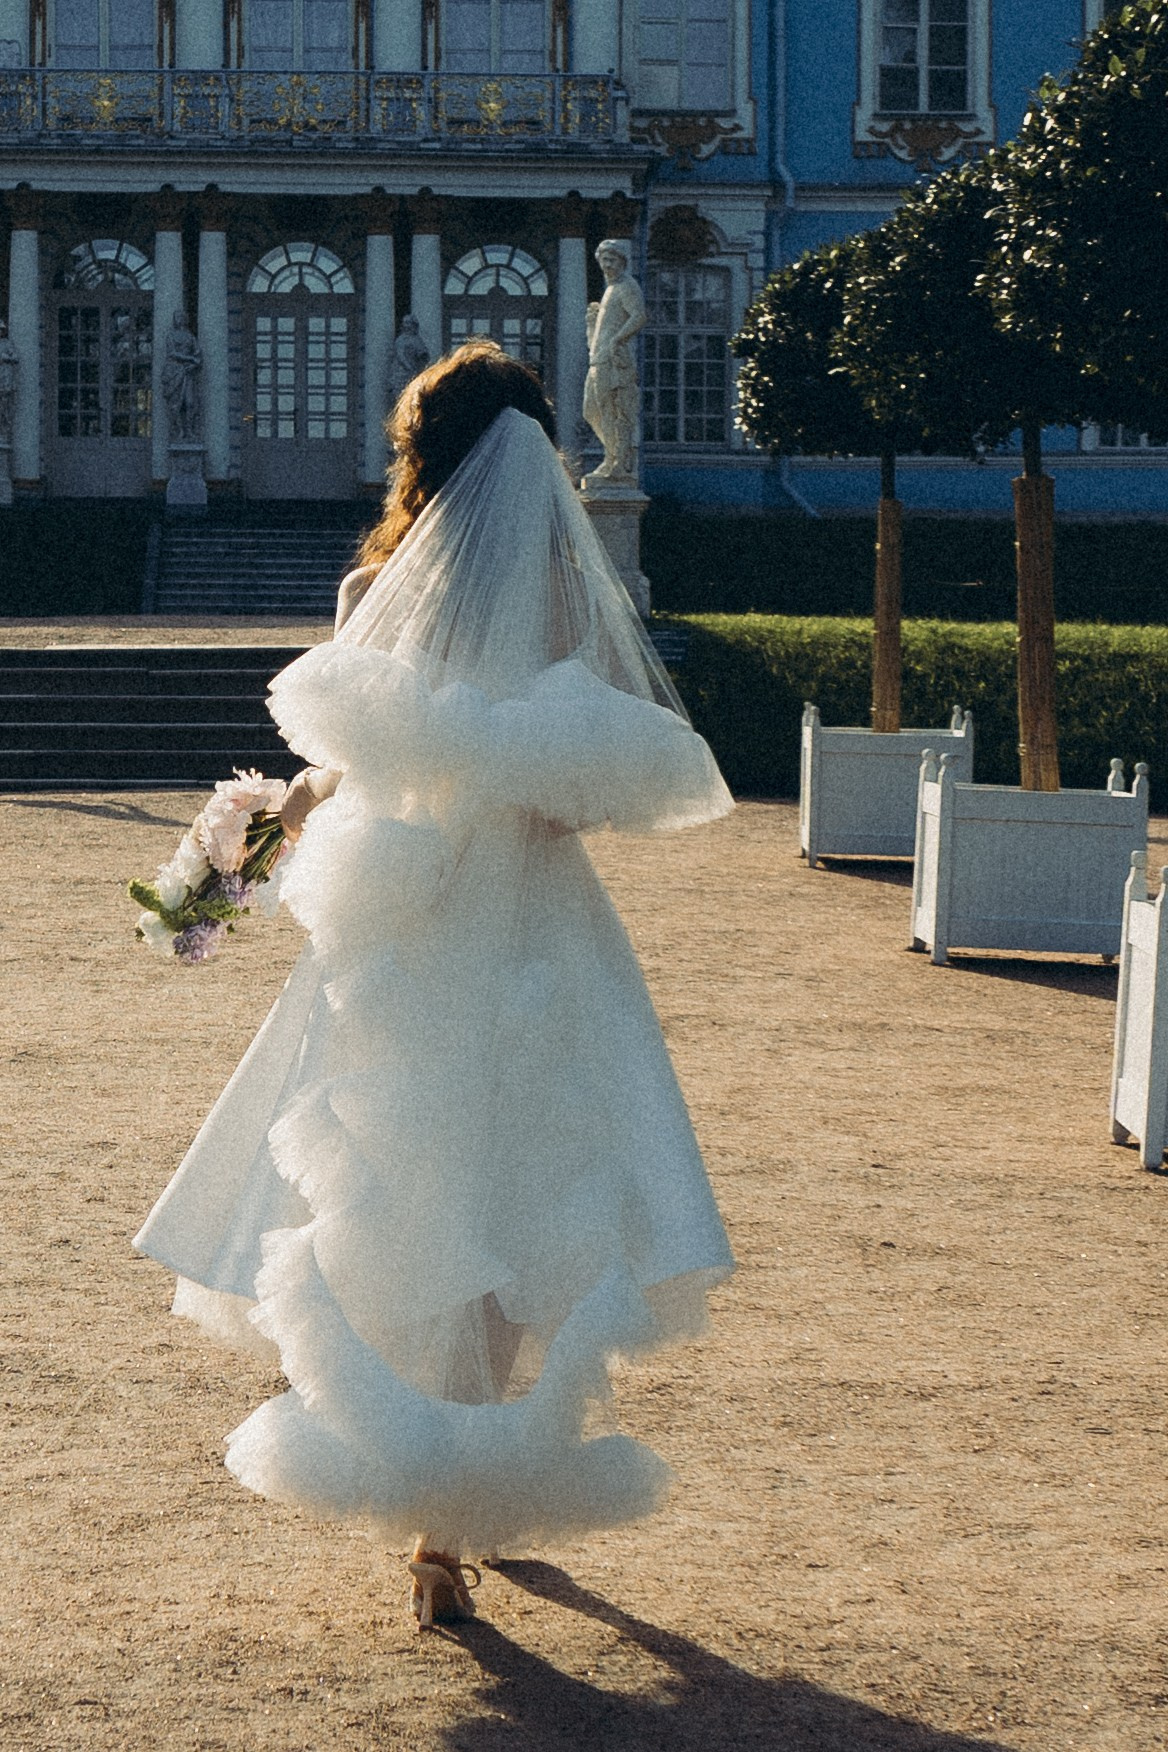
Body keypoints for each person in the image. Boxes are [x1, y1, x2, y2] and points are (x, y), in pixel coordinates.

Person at [134, 340, 735, 1628]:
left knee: (404, 1197)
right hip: (533, 930)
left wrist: (237, 845)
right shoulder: (573, 603)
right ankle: (482, 1479)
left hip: (399, 927)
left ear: (422, 454)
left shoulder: (375, 589)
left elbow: (345, 777)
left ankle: (432, 1525)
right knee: (532, 1191)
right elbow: (586, 804)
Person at [582, 239, 647, 482]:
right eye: (604, 260)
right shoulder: (611, 289)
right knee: (591, 411)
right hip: (598, 359)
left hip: (612, 361)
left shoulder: (626, 286)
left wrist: (618, 340)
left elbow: (639, 316)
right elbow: (598, 337)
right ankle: (615, 454)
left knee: (612, 412)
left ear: (622, 262)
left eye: (612, 260)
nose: (607, 265)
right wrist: (591, 324)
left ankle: (616, 461)